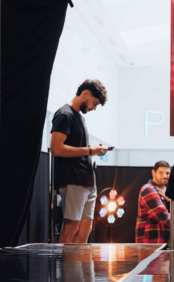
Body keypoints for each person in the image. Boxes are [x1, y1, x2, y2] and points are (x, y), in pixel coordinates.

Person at [50, 79, 110, 243]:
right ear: (85, 94)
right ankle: (62, 269)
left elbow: (77, 150)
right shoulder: (64, 114)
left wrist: (92, 151)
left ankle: (74, 269)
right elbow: (56, 149)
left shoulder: (79, 118)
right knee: (70, 229)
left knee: (84, 232)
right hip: (73, 180)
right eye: (94, 103)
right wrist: (90, 150)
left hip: (87, 181)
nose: (94, 108)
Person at [136, 161, 172, 244]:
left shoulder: (166, 192)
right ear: (153, 173)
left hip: (162, 243)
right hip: (150, 245)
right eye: (161, 173)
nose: (165, 176)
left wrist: (170, 200)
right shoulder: (148, 189)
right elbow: (165, 218)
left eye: (167, 173)